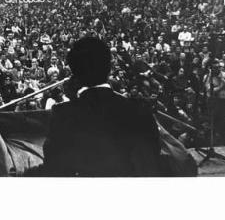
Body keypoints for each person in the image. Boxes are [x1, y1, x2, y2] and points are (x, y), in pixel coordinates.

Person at [42, 37, 161, 177]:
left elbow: (55, 167)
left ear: (74, 72)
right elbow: (151, 161)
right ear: (109, 67)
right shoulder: (139, 110)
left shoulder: (63, 115)